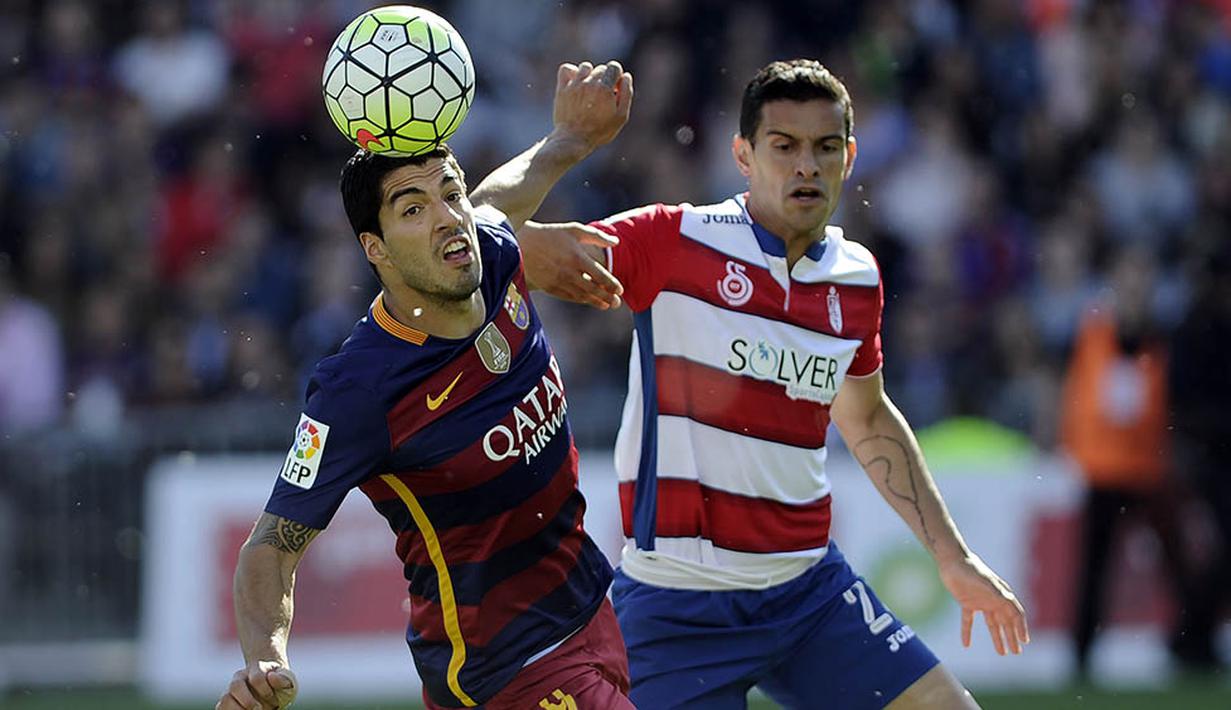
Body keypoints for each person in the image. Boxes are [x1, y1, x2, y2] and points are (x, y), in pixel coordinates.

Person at [524, 59, 1029, 709]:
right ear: (742, 155)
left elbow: (867, 418)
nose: (805, 167)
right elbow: (489, 248)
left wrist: (951, 558)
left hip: (808, 593)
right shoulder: (673, 240)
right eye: (783, 147)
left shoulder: (855, 276)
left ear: (848, 157)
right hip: (674, 609)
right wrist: (562, 145)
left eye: (823, 148)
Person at [215, 60, 633, 710]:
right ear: (375, 248)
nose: (447, 217)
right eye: (413, 208)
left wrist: (568, 141)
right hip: (504, 674)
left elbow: (504, 196)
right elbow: (271, 546)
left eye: (450, 193)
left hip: (593, 614)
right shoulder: (358, 389)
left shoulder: (492, 254)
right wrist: (263, 659)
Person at [1061, 247, 1199, 678]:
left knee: (1178, 564)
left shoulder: (1161, 339)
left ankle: (1193, 643)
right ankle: (1081, 656)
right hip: (1104, 470)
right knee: (1094, 569)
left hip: (1147, 470)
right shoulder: (1094, 332)